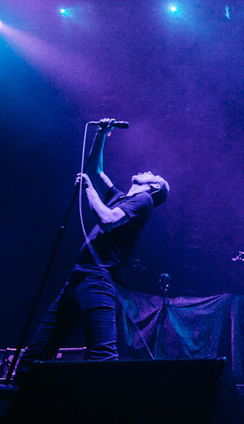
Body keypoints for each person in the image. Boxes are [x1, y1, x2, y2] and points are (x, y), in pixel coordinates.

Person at [17, 120, 169, 375]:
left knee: (103, 356)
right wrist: (101, 135)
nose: (149, 171)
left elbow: (107, 220)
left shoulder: (144, 201)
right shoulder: (124, 196)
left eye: (154, 176)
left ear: (154, 187)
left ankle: (104, 410)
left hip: (99, 280)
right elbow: (96, 170)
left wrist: (88, 189)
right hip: (79, 279)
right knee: (36, 354)